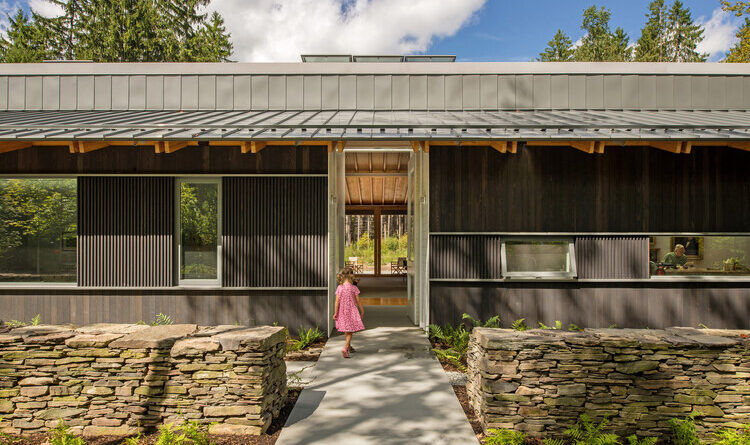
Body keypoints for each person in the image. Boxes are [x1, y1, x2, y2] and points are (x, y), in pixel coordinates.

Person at [333, 266, 365, 358]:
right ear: (352, 276)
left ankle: (349, 347)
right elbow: (358, 301)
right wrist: (362, 311)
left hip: (342, 311)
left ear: (342, 276)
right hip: (352, 311)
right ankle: (345, 347)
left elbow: (337, 301)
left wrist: (335, 313)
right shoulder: (353, 288)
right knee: (350, 331)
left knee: (347, 329)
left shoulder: (340, 287)